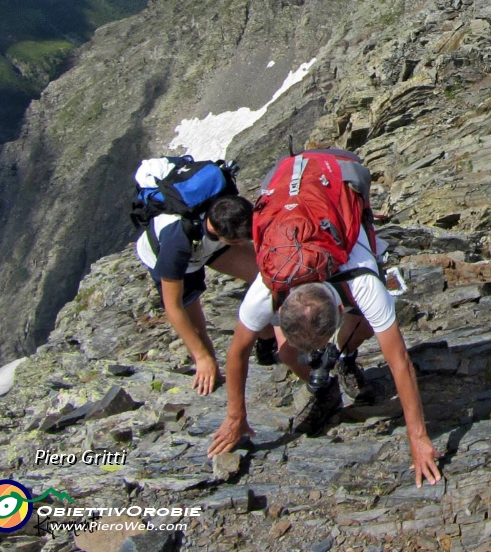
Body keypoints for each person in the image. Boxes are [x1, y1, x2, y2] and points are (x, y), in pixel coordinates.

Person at [207, 151, 441, 487]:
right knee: (288, 354)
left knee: (362, 328)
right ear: (281, 306)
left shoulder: (362, 284)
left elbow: (400, 362)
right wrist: (234, 417)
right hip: (297, 197)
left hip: (335, 183)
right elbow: (238, 350)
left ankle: (347, 357)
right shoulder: (268, 283)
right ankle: (328, 388)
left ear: (337, 314)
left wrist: (418, 437)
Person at [135, 193, 275, 395]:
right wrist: (202, 358)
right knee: (195, 326)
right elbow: (173, 307)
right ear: (224, 235)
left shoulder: (227, 209)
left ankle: (267, 343)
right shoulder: (176, 245)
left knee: (267, 277)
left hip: (208, 244)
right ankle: (210, 374)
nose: (246, 242)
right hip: (172, 256)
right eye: (240, 240)